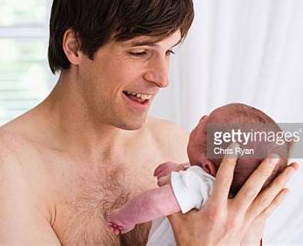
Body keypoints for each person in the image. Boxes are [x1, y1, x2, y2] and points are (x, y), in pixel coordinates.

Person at [0, 0, 298, 245]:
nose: (162, 78)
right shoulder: (2, 170)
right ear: (75, 47)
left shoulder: (174, 144)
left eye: (169, 53)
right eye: (140, 52)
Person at [107, 103, 291, 244]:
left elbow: (153, 203)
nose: (202, 118)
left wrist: (124, 218)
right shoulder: (234, 205)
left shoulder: (200, 183)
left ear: (208, 168)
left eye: (207, 127)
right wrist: (174, 172)